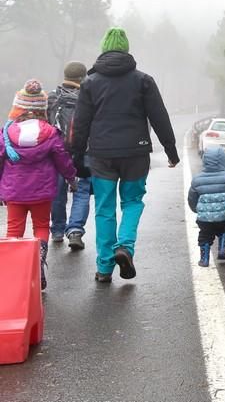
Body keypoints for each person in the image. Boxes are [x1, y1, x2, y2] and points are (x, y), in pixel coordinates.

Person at [71, 27, 180, 283]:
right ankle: (125, 248)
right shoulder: (143, 80)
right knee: (132, 202)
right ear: (126, 49)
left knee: (105, 208)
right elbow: (159, 117)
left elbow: (81, 123)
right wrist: (171, 151)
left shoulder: (90, 83)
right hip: (135, 153)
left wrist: (76, 156)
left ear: (104, 49)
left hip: (100, 154)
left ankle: (105, 267)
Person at [0, 80, 78, 290]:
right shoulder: (50, 133)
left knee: (14, 229)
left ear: (19, 109)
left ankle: (14, 273)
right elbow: (62, 159)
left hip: (14, 192)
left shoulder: (7, 134)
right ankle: (38, 260)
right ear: (42, 109)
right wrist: (72, 178)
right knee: (41, 227)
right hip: (42, 192)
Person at [48, 61, 89, 248]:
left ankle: (57, 230)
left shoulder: (53, 98)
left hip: (55, 152)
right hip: (82, 151)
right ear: (83, 77)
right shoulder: (88, 97)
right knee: (81, 191)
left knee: (57, 191)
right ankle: (75, 230)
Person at [187, 146, 225, 267]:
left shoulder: (197, 179)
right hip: (223, 217)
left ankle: (204, 259)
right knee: (224, 230)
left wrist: (195, 209)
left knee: (204, 236)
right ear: (224, 161)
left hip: (204, 219)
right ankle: (222, 248)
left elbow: (192, 198)